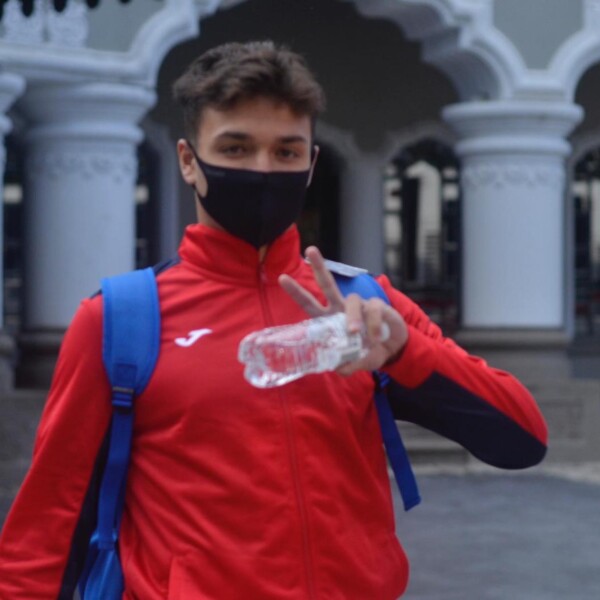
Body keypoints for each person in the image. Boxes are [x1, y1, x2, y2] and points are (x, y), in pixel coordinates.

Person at [0, 41, 547, 599]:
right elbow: (47, 528)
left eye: (286, 152)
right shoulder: (121, 320)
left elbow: (523, 439)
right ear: (188, 160)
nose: (262, 169)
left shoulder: (363, 307)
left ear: (310, 164)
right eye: (235, 148)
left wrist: (407, 353)